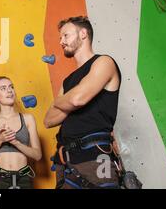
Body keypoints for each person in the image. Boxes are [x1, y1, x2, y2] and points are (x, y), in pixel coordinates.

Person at [44, 16, 122, 189]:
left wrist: (61, 102)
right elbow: (49, 120)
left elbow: (77, 99)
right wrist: (69, 101)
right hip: (65, 162)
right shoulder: (68, 80)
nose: (61, 42)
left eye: (65, 35)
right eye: (60, 38)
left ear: (83, 34)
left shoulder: (103, 62)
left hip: (94, 156)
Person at [0, 77, 42, 189]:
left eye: (11, 87)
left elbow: (37, 155)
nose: (9, 91)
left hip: (23, 179)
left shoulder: (28, 119)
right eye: (3, 88)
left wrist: (16, 142)